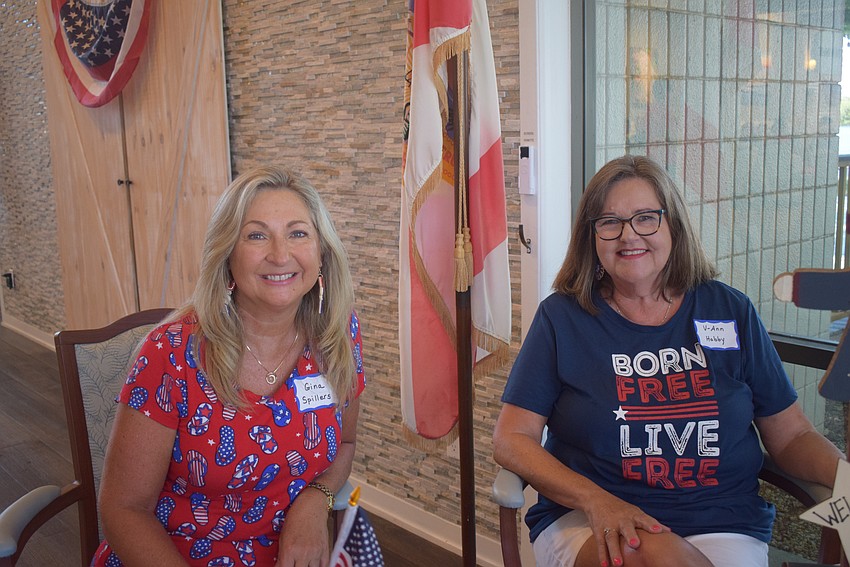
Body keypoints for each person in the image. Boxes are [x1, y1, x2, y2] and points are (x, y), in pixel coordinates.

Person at [493, 155, 843, 567]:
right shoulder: (562, 318)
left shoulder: (730, 310)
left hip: (722, 522)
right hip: (590, 519)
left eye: (646, 218)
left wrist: (846, 476)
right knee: (662, 556)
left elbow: (791, 436)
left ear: (673, 224)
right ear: (591, 237)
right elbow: (511, 439)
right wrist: (595, 499)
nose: (628, 236)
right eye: (609, 222)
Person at [95, 166, 366, 566]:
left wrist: (315, 500)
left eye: (298, 233)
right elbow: (123, 510)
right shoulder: (171, 353)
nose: (280, 254)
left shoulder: (337, 334)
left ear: (321, 253)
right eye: (257, 235)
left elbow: (345, 443)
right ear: (227, 254)